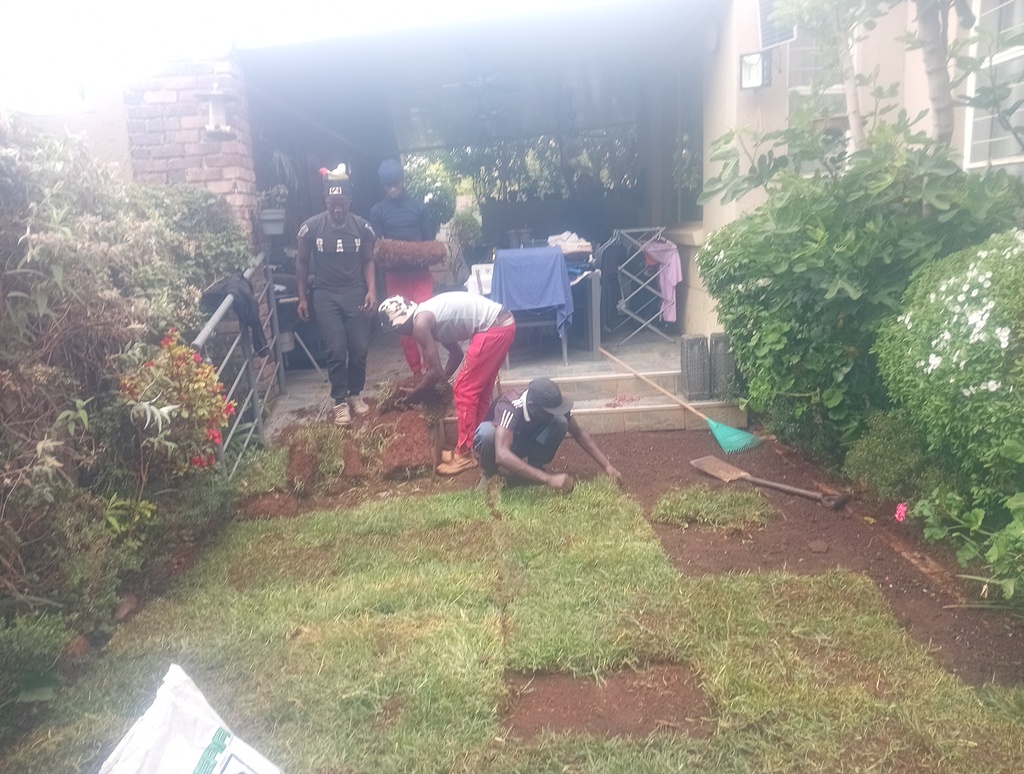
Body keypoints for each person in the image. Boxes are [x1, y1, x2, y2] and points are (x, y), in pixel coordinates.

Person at [378, 292, 516, 475]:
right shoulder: (427, 317)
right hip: (502, 324)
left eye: (396, 330)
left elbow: (435, 371)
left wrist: (417, 392)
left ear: (401, 323)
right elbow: (456, 355)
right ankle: (474, 444)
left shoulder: (420, 324)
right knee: (478, 389)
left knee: (464, 389)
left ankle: (464, 455)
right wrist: (439, 382)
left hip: (493, 328)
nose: (399, 334)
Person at [296, 164, 377, 427]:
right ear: (325, 201)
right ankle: (339, 402)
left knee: (359, 348)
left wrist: (371, 290)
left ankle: (355, 394)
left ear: (350, 201)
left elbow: (368, 261)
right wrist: (303, 297)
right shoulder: (311, 228)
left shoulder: (362, 228)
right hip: (325, 295)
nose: (338, 209)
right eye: (333, 204)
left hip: (354, 292)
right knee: (335, 348)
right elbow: (302, 263)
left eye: (342, 203)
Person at [474, 378, 622, 493]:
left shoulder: (549, 402)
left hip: (526, 441)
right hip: (502, 446)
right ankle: (490, 474)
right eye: (549, 412)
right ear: (531, 406)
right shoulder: (510, 406)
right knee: (487, 433)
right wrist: (549, 479)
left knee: (560, 422)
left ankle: (533, 469)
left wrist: (607, 466)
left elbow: (578, 432)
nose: (553, 414)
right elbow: (502, 454)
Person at [369, 158, 435, 377]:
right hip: (395, 277)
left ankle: (430, 369)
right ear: (383, 186)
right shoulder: (378, 211)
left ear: (402, 181)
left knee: (424, 320)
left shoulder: (418, 207)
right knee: (402, 326)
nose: (392, 188)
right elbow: (378, 246)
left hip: (420, 274)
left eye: (395, 183)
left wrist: (418, 253)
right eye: (388, 185)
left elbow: (427, 240)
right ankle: (416, 372)